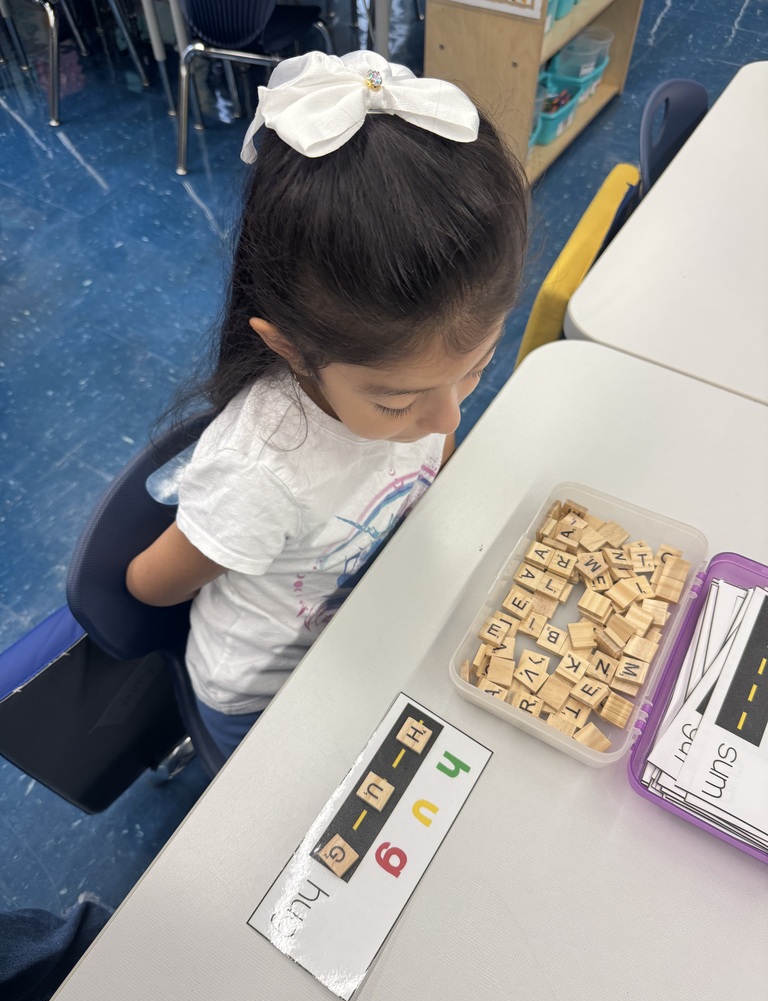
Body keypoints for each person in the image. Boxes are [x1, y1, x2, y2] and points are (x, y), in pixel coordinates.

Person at [126, 50, 529, 761]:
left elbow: (435, 458)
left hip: (361, 640)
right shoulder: (261, 471)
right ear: (291, 349)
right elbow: (147, 584)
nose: (447, 420)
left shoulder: (418, 386)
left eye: (477, 371)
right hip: (259, 698)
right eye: (399, 400)